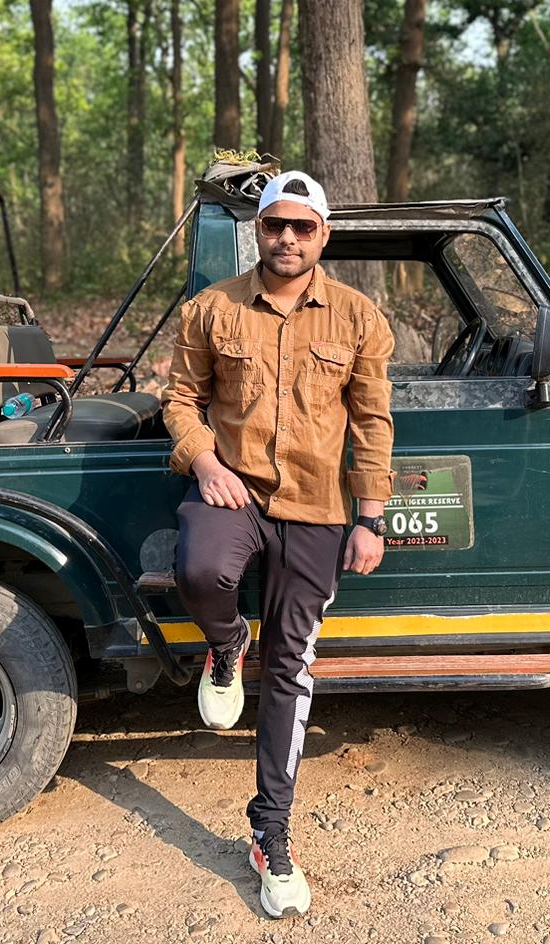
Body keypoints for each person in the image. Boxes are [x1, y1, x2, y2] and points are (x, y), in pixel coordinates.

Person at [159, 170, 396, 919]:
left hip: (318, 506)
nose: (287, 238)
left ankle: (271, 832)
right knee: (200, 570)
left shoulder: (359, 318)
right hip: (234, 489)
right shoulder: (213, 308)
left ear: (324, 235)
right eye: (274, 225)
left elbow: (373, 422)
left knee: (292, 663)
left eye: (302, 226)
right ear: (257, 231)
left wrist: (371, 517)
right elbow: (181, 400)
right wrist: (205, 463)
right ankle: (226, 644)